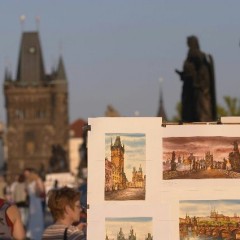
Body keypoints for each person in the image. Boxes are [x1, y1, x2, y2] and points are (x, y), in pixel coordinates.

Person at [175, 35, 216, 122]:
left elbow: (202, 62)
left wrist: (198, 80)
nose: (188, 45)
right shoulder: (190, 54)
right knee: (189, 109)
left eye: (189, 43)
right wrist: (183, 74)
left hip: (198, 87)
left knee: (200, 109)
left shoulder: (195, 53)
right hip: (190, 87)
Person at [24, 168, 44, 240]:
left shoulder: (28, 182)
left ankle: (31, 233)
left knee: (32, 217)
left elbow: (27, 192)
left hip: (32, 202)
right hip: (37, 201)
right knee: (38, 216)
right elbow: (41, 191)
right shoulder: (37, 180)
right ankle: (37, 234)